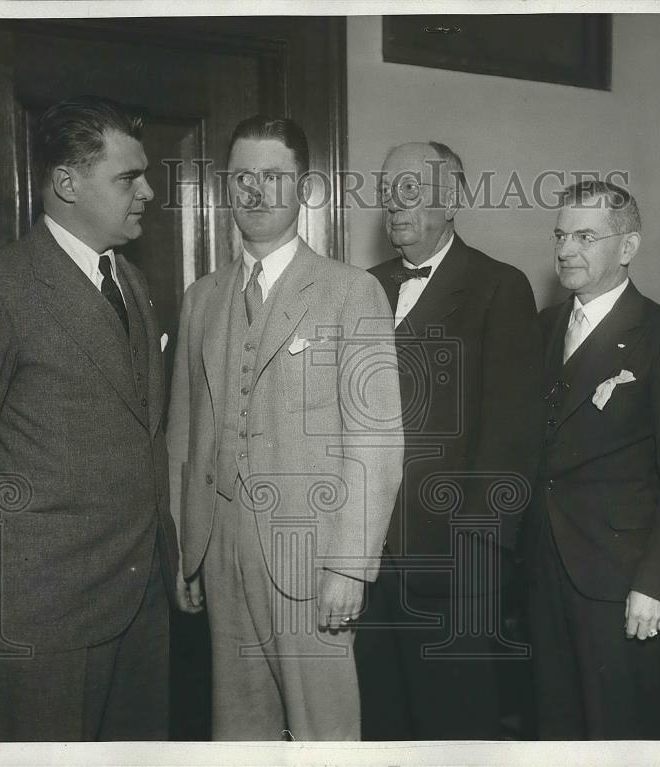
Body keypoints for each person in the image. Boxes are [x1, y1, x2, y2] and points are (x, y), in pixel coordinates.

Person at [0, 95, 178, 741]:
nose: (147, 191)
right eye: (127, 177)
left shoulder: (133, 284)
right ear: (67, 182)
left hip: (139, 604)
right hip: (37, 620)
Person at [166, 115, 403, 741]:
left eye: (274, 176)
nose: (256, 191)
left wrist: (350, 567)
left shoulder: (351, 293)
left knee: (324, 734)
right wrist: (186, 549)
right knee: (238, 731)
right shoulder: (202, 298)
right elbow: (182, 436)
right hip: (219, 550)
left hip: (311, 553)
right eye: (243, 176)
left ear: (305, 188)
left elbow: (376, 444)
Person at [355, 142, 544, 740]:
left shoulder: (498, 287)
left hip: (451, 564)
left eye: (411, 188)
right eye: (388, 191)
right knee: (378, 724)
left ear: (453, 199)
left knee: (454, 729)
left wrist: (477, 561)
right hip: (364, 559)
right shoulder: (363, 287)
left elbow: (511, 436)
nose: (395, 203)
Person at [520, 180, 660, 739]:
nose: (565, 250)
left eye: (585, 236)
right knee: (554, 729)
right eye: (560, 235)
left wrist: (656, 583)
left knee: (620, 733)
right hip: (545, 572)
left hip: (622, 582)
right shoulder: (542, 327)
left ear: (627, 248)